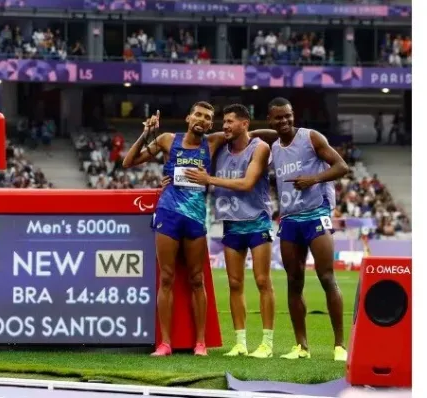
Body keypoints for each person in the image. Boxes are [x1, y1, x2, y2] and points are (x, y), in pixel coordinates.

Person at [123, 102, 276, 357]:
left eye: (208, 118)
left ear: (210, 124)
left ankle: (201, 343)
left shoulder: (214, 141)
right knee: (167, 278)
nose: (202, 120)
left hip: (195, 217)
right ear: (188, 116)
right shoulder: (167, 140)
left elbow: (251, 135)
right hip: (168, 213)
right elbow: (129, 161)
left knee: (197, 279)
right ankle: (165, 343)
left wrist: (274, 130)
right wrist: (146, 132)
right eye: (198, 115)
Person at [183, 104, 275, 359]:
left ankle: (267, 343)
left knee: (262, 281)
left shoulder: (260, 148)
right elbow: (193, 164)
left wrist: (210, 180)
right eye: (223, 121)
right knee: (234, 284)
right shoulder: (219, 150)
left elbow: (246, 183)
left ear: (245, 124)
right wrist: (174, 178)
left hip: (257, 220)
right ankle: (240, 342)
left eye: (230, 121)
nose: (224, 126)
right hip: (231, 223)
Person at [266, 97, 349, 361]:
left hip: (316, 214)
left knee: (326, 277)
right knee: (293, 282)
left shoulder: (311, 137)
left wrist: (314, 178)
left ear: (293, 115)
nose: (285, 120)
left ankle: (339, 345)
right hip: (289, 219)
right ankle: (301, 347)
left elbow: (342, 167)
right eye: (279, 117)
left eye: (288, 115)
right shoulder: (274, 148)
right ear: (271, 120)